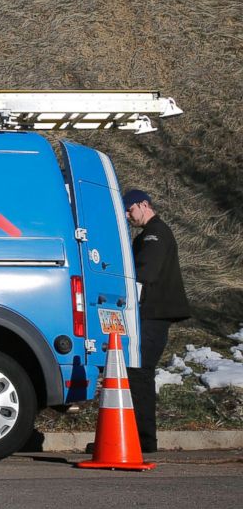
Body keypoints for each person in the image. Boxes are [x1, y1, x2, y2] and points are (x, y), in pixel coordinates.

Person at [123, 189, 190, 453]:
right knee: (136, 375)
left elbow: (144, 273)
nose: (128, 215)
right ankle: (138, 438)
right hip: (149, 315)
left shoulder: (155, 233)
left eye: (130, 209)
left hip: (152, 316)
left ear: (144, 204)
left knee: (139, 374)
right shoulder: (150, 234)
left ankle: (143, 440)